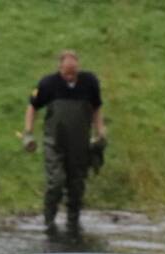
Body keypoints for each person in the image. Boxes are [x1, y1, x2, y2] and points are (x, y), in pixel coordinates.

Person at [22, 51, 106, 242]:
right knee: (56, 182)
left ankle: (73, 224)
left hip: (80, 144)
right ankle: (49, 220)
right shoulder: (47, 84)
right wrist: (28, 133)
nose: (70, 75)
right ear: (60, 68)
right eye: (67, 72)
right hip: (55, 143)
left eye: (73, 72)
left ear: (78, 67)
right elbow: (32, 107)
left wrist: (100, 132)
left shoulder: (90, 82)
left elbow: (97, 107)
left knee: (77, 185)